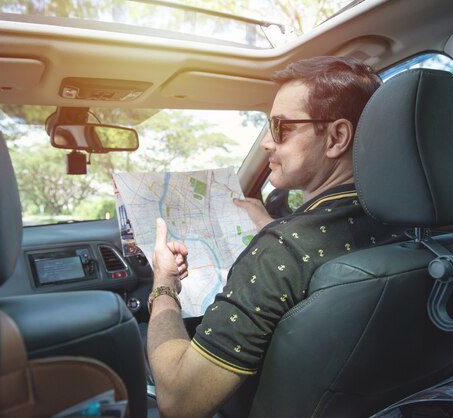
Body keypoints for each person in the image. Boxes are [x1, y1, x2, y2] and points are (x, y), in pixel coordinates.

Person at [147, 56, 403, 418]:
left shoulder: (282, 250)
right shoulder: (411, 224)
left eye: (280, 127)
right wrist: (271, 225)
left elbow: (178, 400)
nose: (267, 142)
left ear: (337, 137)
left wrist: (165, 283)